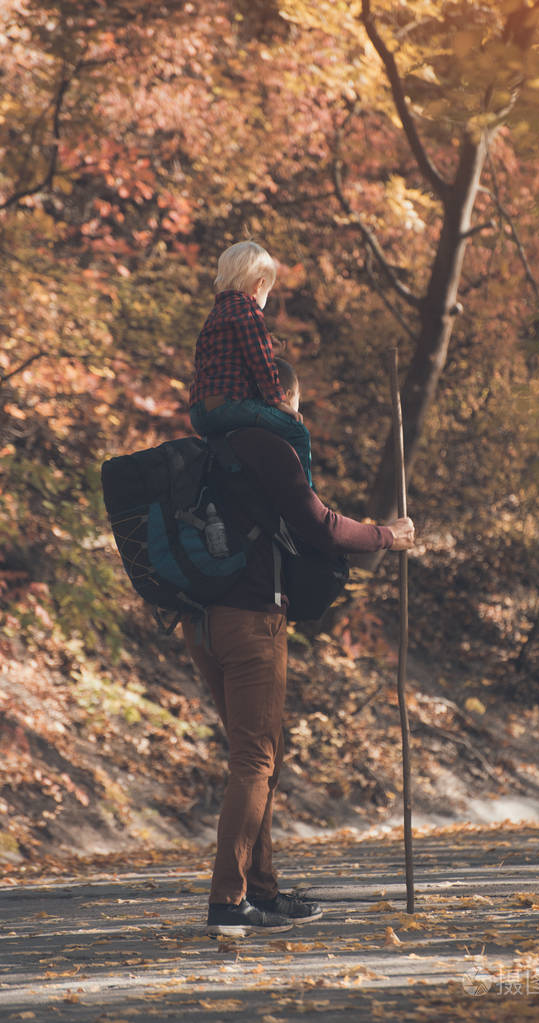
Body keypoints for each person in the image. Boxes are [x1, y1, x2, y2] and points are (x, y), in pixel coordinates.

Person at [182, 360, 415, 936]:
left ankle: (260, 890)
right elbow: (322, 527)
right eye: (298, 399)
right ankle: (227, 901)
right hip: (250, 620)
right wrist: (388, 535)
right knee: (256, 761)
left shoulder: (210, 446)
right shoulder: (268, 444)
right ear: (282, 394)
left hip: (200, 620)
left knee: (255, 758)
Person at [188, 240, 314, 486]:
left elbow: (222, 359)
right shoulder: (248, 310)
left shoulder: (216, 315)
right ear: (260, 285)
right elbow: (261, 365)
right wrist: (279, 402)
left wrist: (267, 345)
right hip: (229, 406)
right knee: (297, 431)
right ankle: (306, 495)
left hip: (201, 411)